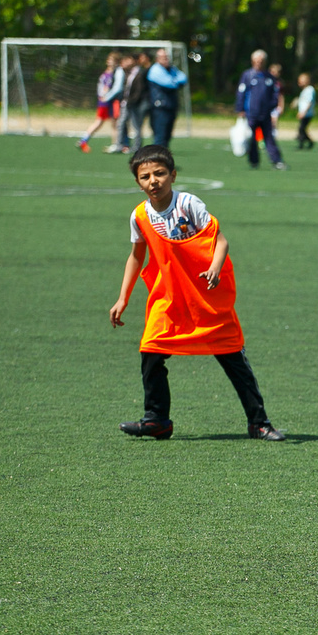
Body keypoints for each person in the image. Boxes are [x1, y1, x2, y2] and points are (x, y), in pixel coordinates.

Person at [109, 145, 284, 442]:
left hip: (206, 297)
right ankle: (157, 420)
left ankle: (259, 423)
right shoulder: (139, 216)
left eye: (160, 173)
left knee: (233, 359)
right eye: (145, 176)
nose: (154, 180)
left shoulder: (189, 204)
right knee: (151, 352)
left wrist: (215, 268)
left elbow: (221, 241)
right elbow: (137, 256)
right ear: (137, 182)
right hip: (171, 300)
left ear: (173, 175)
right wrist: (123, 297)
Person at [235, 50, 286, 171]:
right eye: (257, 61)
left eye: (261, 61)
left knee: (269, 138)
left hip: (265, 113)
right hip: (251, 113)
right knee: (251, 138)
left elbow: (275, 95)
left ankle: (276, 160)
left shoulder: (270, 78)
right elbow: (241, 92)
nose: (259, 63)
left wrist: (272, 107)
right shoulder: (247, 75)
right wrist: (240, 108)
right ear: (253, 61)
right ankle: (254, 161)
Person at [77, 53, 120, 153]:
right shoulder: (109, 74)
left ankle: (84, 140)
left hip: (104, 100)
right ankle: (115, 145)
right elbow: (105, 88)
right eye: (110, 60)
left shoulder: (107, 73)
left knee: (103, 123)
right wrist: (105, 97)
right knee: (111, 123)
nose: (110, 62)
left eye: (112, 60)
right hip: (106, 102)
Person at [147, 48, 187, 149]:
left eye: (167, 57)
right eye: (163, 58)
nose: (166, 60)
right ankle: (158, 161)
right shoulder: (155, 70)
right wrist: (175, 81)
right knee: (160, 137)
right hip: (160, 108)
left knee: (167, 136)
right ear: (157, 59)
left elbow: (183, 78)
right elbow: (169, 84)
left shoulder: (171, 69)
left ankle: (164, 160)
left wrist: (174, 81)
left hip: (170, 106)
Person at [122, 51, 152, 153]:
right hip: (132, 102)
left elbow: (139, 89)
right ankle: (127, 144)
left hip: (138, 103)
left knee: (137, 125)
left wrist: (133, 100)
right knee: (129, 124)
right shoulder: (131, 72)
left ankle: (137, 146)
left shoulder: (141, 72)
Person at [103, 54, 131, 153]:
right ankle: (123, 144)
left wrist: (107, 97)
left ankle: (121, 144)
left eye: (111, 60)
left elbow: (118, 88)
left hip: (119, 101)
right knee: (119, 122)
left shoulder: (119, 71)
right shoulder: (114, 71)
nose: (108, 62)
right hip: (116, 100)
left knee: (120, 122)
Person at [294, 73, 316, 150]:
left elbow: (309, 102)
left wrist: (304, 112)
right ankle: (305, 141)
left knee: (301, 128)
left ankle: (303, 142)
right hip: (304, 113)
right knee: (302, 128)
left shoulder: (310, 89)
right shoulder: (304, 90)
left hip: (307, 113)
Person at [268, 63, 285, 134]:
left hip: (275, 106)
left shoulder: (279, 84)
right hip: (266, 106)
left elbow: (281, 96)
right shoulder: (266, 81)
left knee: (273, 122)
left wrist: (281, 106)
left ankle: (273, 136)